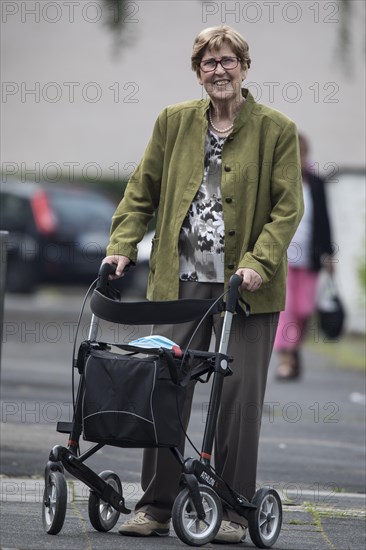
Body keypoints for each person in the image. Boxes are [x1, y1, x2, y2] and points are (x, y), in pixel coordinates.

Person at [103, 25, 304, 544]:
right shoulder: (173, 123)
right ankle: (156, 505)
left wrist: (259, 261)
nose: (219, 70)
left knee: (238, 399)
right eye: (209, 63)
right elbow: (140, 190)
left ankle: (236, 510)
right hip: (181, 279)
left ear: (244, 67)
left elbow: (287, 208)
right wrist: (122, 245)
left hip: (247, 287)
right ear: (198, 72)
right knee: (167, 386)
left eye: (228, 60)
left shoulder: (276, 129)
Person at [274, 134, 334, 380]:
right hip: (283, 258)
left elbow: (324, 220)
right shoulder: (278, 182)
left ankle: (295, 349)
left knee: (304, 310)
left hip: (310, 258)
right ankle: (286, 359)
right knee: (285, 310)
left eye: (301, 153)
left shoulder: (316, 183)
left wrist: (329, 254)